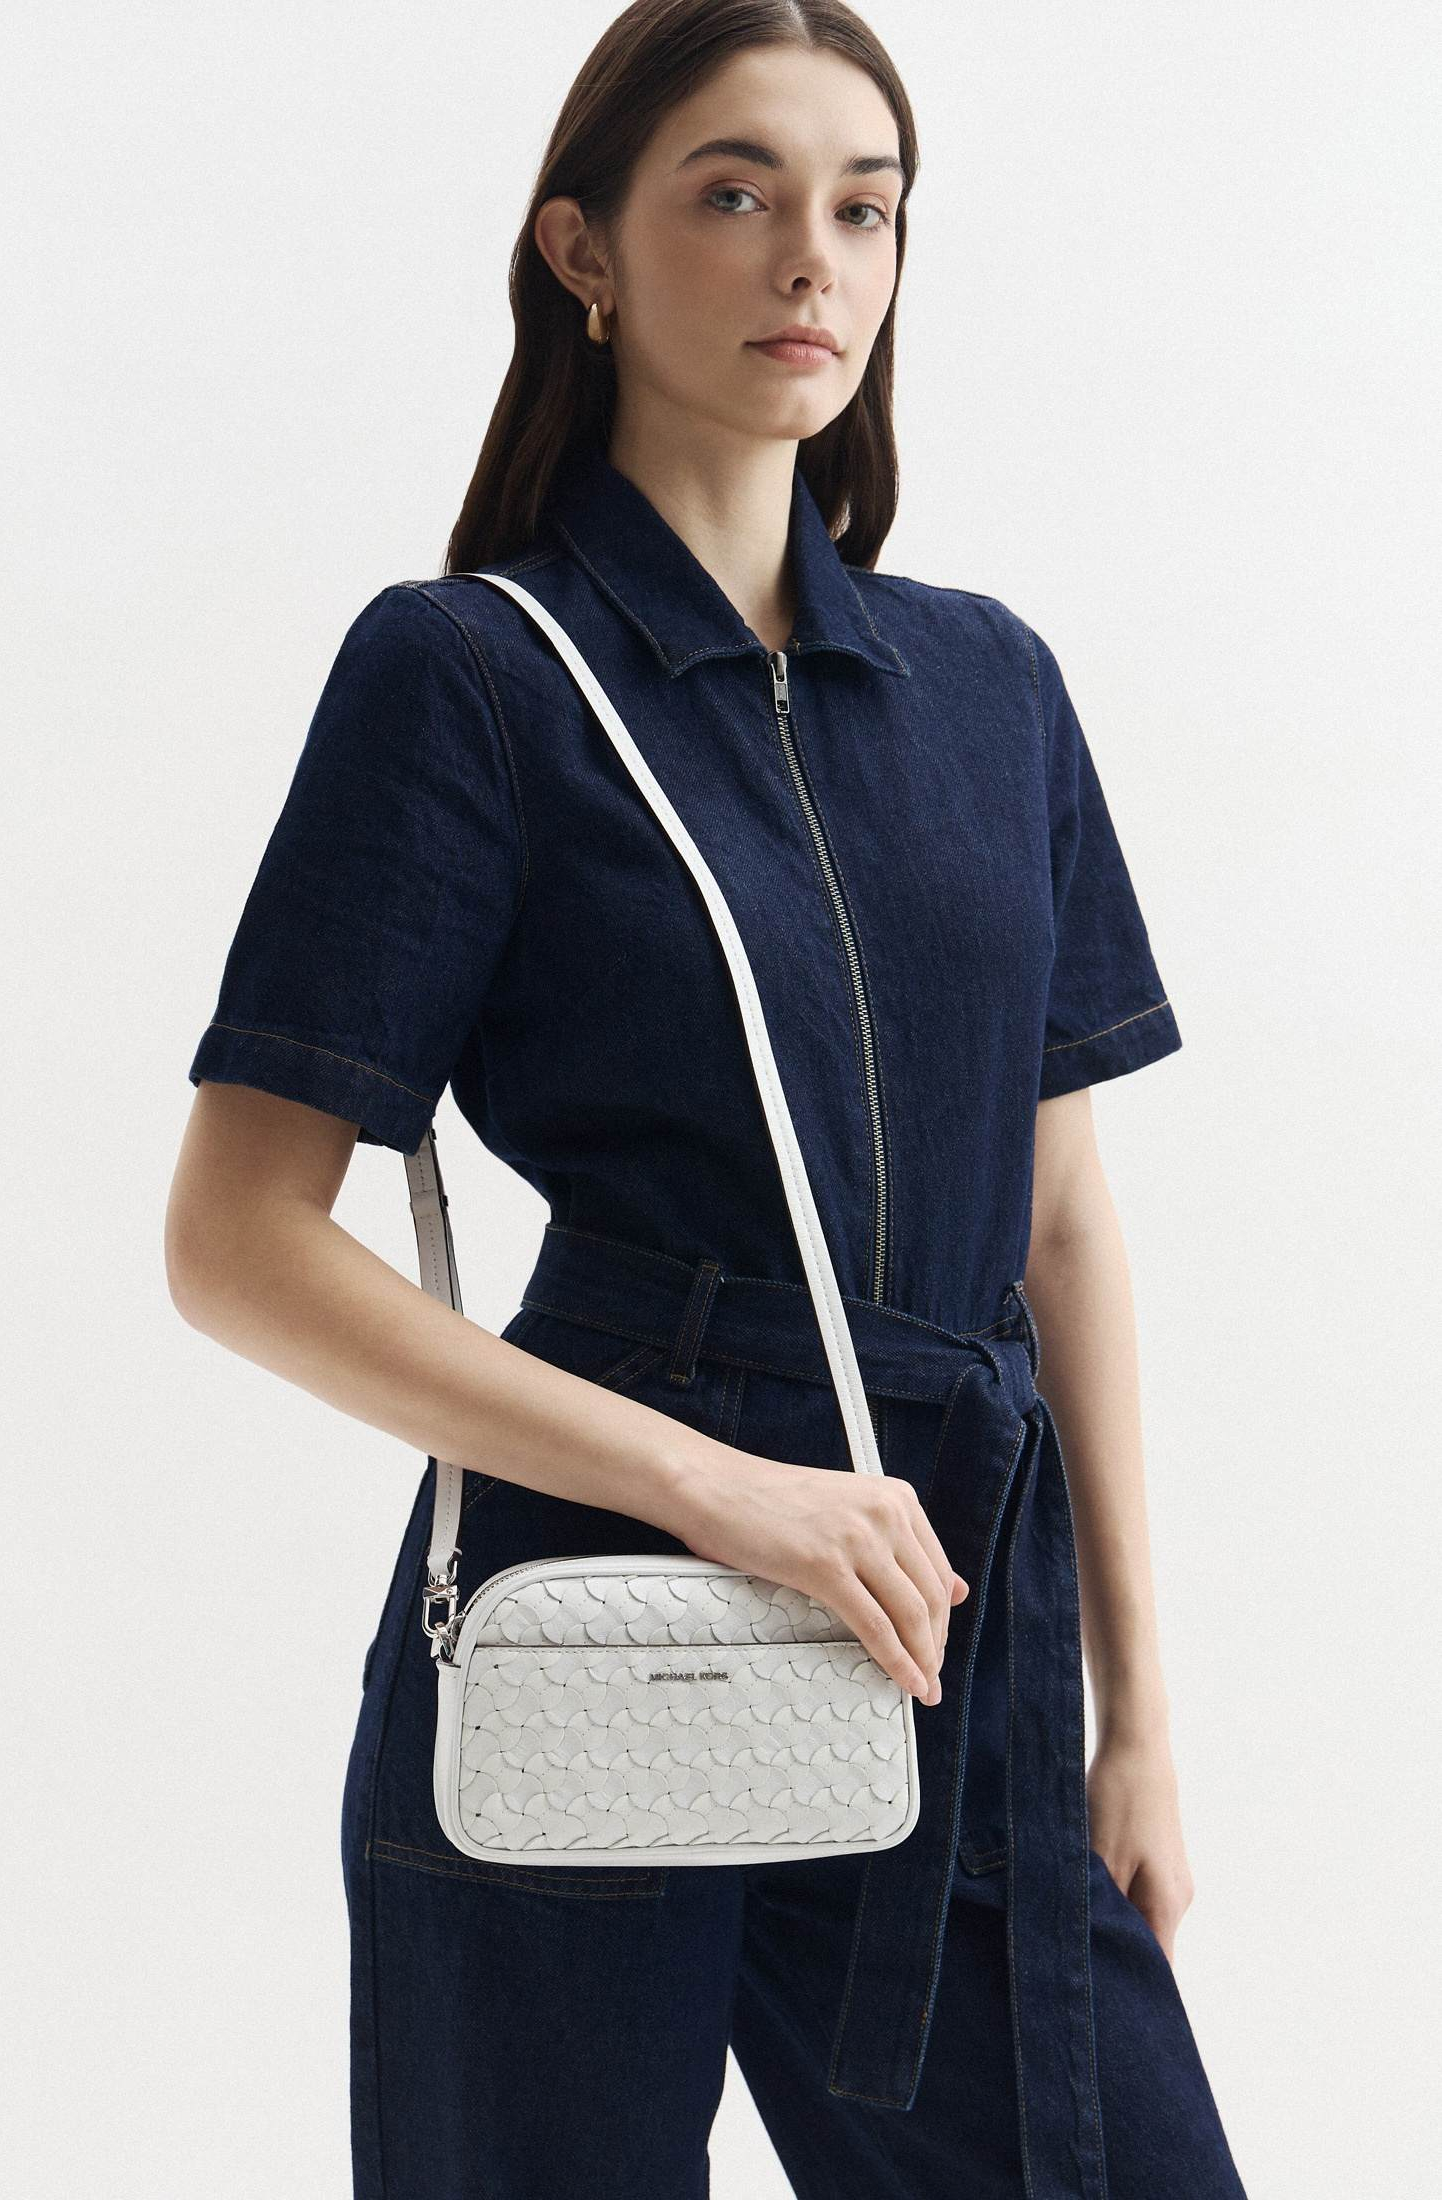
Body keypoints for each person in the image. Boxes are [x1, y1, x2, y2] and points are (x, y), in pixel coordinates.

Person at [165, 3, 1248, 2193]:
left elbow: (1058, 1223)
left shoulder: (990, 690)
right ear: (581, 248)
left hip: (945, 1600)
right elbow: (236, 1240)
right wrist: (723, 1488)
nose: (810, 259)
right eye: (734, 193)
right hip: (594, 1599)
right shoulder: (469, 673)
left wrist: (1137, 1706)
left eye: (865, 207)